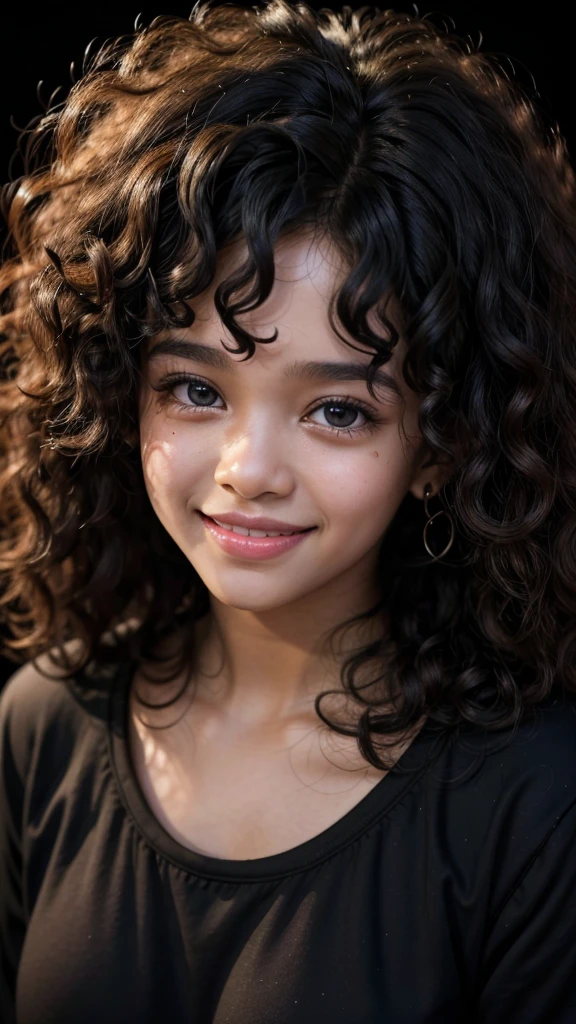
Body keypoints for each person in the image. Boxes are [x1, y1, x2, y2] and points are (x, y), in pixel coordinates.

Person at [1, 1, 576, 1020]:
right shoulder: (45, 724)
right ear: (112, 386)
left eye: (340, 409)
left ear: (444, 442)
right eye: (195, 388)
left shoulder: (536, 800)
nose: (249, 466)